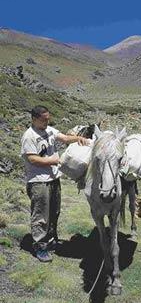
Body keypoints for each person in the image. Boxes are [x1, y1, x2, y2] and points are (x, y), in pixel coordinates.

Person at [21, 105, 89, 263]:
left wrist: (78, 139)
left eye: (48, 119)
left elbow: (64, 138)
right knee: (41, 215)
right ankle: (40, 246)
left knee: (54, 211)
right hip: (39, 181)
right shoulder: (29, 136)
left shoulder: (49, 130)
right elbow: (32, 158)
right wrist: (54, 160)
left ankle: (51, 241)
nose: (47, 121)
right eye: (44, 120)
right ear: (34, 119)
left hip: (53, 178)